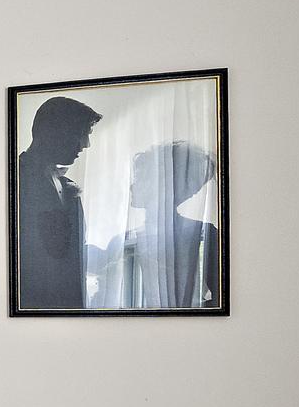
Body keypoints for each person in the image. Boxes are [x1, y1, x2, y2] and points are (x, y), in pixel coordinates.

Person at [16, 96, 102, 309]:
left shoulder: (66, 185)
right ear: (57, 132)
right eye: (81, 134)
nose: (86, 144)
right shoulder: (18, 178)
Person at [114, 140, 221, 308]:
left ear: (164, 184)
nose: (132, 186)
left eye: (141, 177)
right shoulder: (127, 239)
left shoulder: (203, 235)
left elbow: (221, 299)